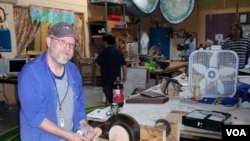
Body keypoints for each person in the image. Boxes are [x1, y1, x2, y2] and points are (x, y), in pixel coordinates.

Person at [18, 22, 95, 141]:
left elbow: (79, 105)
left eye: (71, 44)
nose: (67, 48)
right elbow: (35, 116)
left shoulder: (73, 70)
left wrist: (83, 124)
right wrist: (67, 135)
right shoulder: (31, 72)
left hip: (72, 136)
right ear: (49, 41)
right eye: (62, 41)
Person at [95, 33, 127, 107]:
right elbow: (124, 65)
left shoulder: (105, 52)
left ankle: (109, 116)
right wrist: (125, 76)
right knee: (117, 99)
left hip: (107, 80)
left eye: (103, 41)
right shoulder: (119, 51)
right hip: (117, 81)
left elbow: (97, 64)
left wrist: (96, 57)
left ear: (105, 42)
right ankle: (116, 115)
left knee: (109, 99)